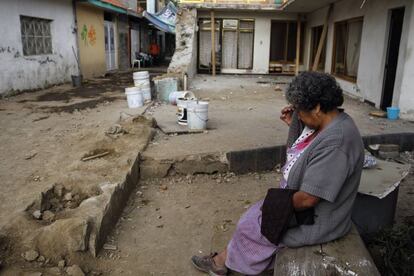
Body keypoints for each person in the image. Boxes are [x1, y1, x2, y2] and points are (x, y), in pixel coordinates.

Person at [191, 72, 365, 276]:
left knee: (251, 225)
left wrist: (273, 207)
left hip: (318, 222)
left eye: (300, 110)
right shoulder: (328, 124)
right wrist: (295, 123)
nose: (298, 115)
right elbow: (302, 154)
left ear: (317, 107)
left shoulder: (336, 142)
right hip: (304, 208)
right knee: (252, 217)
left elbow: (308, 199)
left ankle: (228, 264)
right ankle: (224, 260)